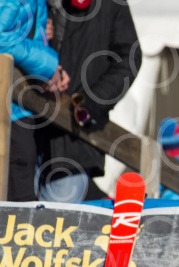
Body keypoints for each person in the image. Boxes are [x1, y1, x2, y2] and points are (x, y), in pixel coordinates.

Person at [35, 0, 142, 202]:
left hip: (73, 142)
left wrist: (90, 102)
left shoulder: (111, 5)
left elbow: (130, 59)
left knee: (59, 225)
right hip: (24, 133)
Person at [0, 0, 70, 201]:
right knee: (19, 212)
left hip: (19, 110)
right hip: (9, 114)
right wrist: (48, 66)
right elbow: (1, 37)